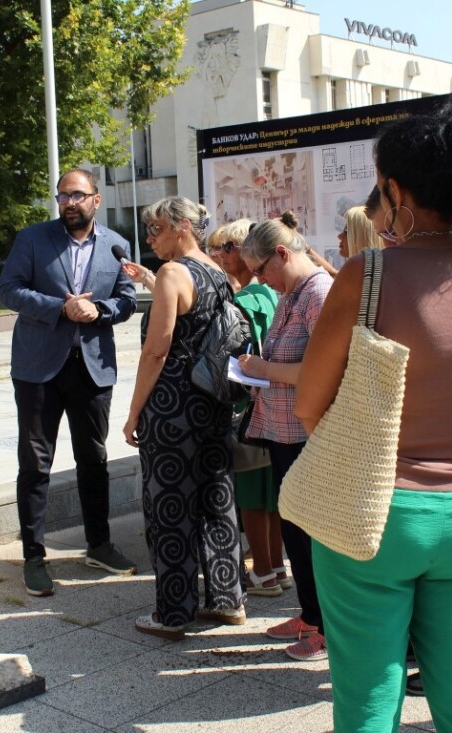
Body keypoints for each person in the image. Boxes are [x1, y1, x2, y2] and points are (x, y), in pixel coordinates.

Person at [297, 104, 452, 732]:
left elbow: (308, 403)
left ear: (395, 189)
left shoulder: (365, 273)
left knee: (369, 698)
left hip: (376, 510)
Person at [0, 168, 138, 597]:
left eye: (77, 195)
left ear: (97, 199)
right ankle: (34, 556)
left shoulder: (116, 244)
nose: (69, 202)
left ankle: (98, 544)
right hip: (39, 368)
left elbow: (128, 298)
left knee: (93, 459)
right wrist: (61, 308)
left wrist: (102, 312)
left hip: (92, 367)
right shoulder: (33, 239)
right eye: (63, 196)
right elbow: (9, 291)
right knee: (35, 462)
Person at [121, 197, 245, 638]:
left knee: (169, 505)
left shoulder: (174, 273)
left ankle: (173, 613)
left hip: (172, 403)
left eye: (156, 229)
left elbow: (157, 350)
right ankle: (227, 599)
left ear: (182, 227)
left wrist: (134, 413)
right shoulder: (216, 271)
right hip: (212, 400)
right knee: (216, 498)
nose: (150, 237)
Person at [238, 211, 333, 661]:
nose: (260, 280)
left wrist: (262, 370)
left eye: (261, 270)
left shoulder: (316, 292)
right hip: (285, 430)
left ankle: (325, 627)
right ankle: (310, 615)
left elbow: (324, 371)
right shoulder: (293, 291)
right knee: (295, 529)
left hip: (304, 433)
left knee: (309, 532)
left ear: (281, 253)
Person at [206, 219, 282, 595]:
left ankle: (263, 572)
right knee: (273, 492)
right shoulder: (272, 293)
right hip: (278, 401)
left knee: (252, 492)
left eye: (225, 248)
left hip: (251, 402)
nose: (220, 256)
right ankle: (277, 567)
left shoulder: (240, 301)